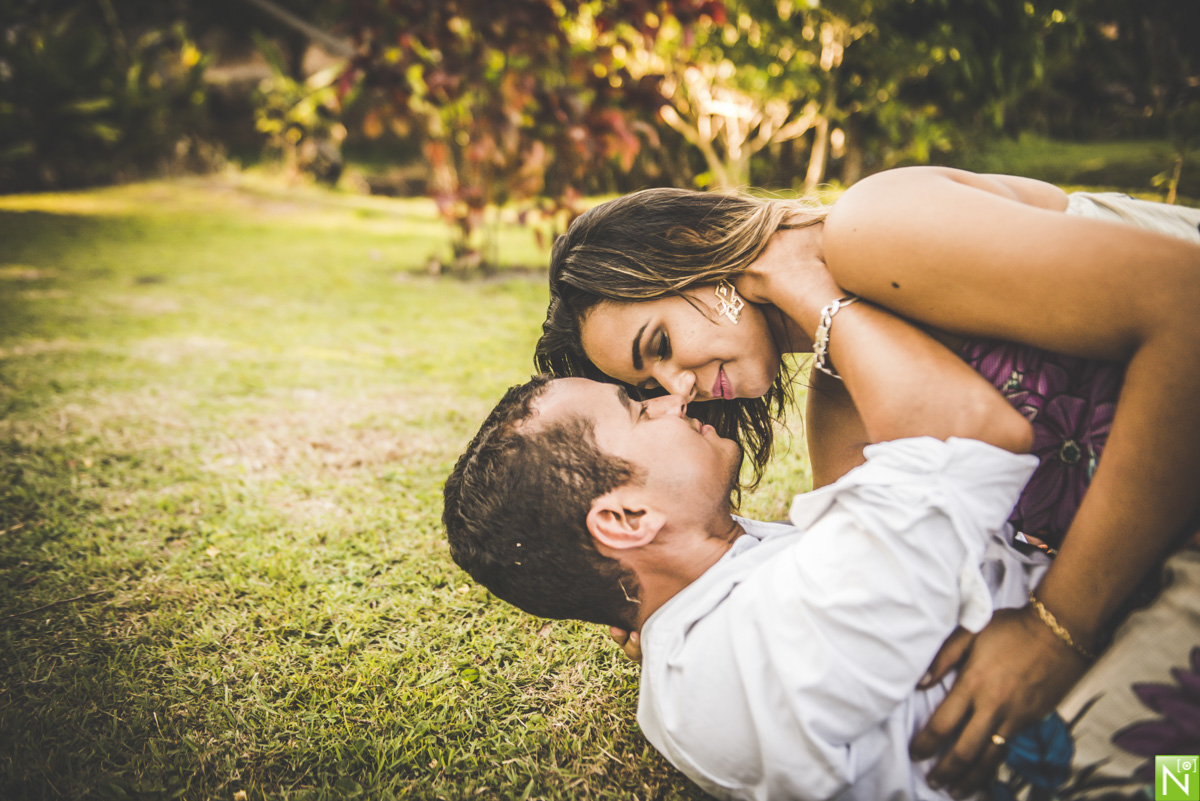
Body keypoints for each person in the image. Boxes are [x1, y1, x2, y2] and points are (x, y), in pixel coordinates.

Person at [533, 167, 1200, 793]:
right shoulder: (842, 392)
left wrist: (1057, 629)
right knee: (1085, 767)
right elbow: (881, 564)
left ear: (690, 253)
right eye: (649, 388)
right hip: (1169, 541)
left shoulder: (873, 229)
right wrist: (675, 609)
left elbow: (1188, 303)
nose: (680, 391)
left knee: (1114, 780)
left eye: (661, 344)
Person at [446, 293, 1049, 799]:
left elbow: (856, 464)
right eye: (637, 409)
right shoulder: (778, 626)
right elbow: (983, 430)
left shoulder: (707, 620)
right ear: (628, 519)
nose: (671, 398)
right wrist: (813, 292)